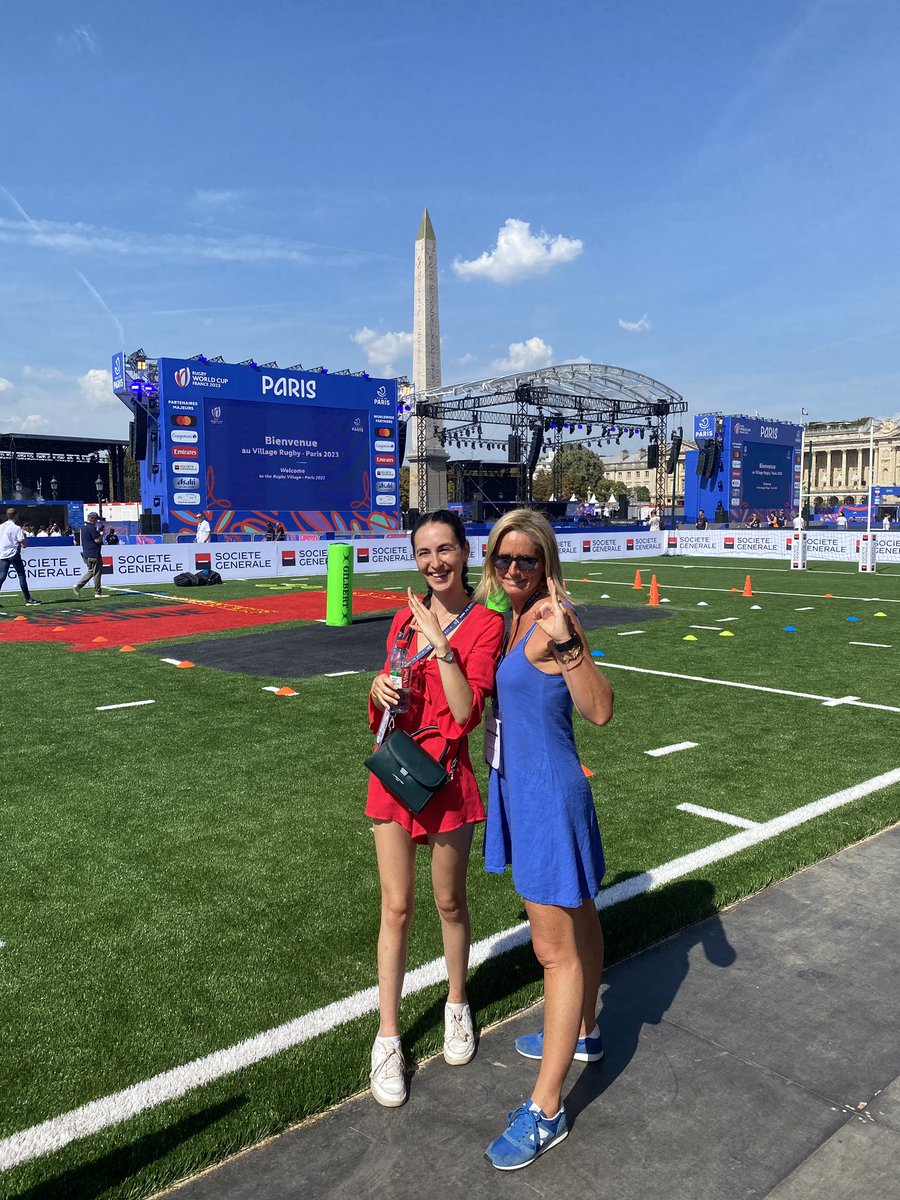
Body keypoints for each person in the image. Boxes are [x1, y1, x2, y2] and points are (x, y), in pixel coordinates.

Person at [478, 509, 614, 1171]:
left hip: (547, 797)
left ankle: (547, 1107)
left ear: (545, 564)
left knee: (552, 952)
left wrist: (567, 645)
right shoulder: (513, 617)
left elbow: (600, 710)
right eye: (503, 558)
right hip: (525, 789)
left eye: (525, 560)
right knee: (580, 914)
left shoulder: (553, 621)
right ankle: (585, 1032)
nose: (513, 569)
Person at [365, 509, 504, 1108]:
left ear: (465, 552)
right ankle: (388, 1037)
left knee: (450, 902)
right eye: (424, 552)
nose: (435, 563)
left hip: (447, 778)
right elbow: (388, 701)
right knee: (396, 907)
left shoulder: (487, 623)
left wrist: (443, 647)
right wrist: (376, 690)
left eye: (444, 549)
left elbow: (467, 711)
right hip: (396, 774)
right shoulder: (403, 617)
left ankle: (456, 1003)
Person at [0, 507, 41, 605]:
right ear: (16, 515)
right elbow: (24, 544)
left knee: (2, 576)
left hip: (3, 554)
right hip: (13, 553)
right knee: (21, 575)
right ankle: (28, 599)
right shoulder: (16, 528)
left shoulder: (1, 527)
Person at [74, 512, 105, 598]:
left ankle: (78, 586)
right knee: (97, 573)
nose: (97, 522)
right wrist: (101, 535)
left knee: (91, 571)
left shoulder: (83, 528)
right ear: (93, 519)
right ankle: (98, 592)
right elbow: (97, 540)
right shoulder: (92, 528)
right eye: (96, 520)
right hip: (94, 553)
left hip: (86, 553)